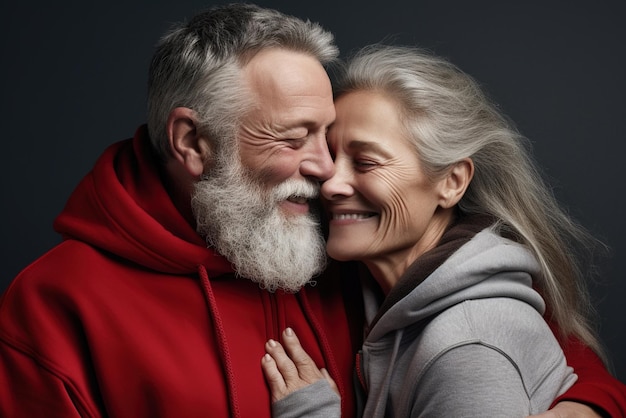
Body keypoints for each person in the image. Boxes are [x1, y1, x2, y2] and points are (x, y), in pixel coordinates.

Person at [0, 3, 622, 417]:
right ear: (192, 142)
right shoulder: (56, 306)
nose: (327, 172)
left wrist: (585, 407)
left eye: (330, 136)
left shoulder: (340, 241)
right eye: (295, 137)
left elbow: (528, 341)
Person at [261, 44, 626, 417]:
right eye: (331, 156)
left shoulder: (468, 348)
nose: (330, 183)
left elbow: (481, 348)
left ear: (452, 182)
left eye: (366, 162)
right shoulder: (371, 278)